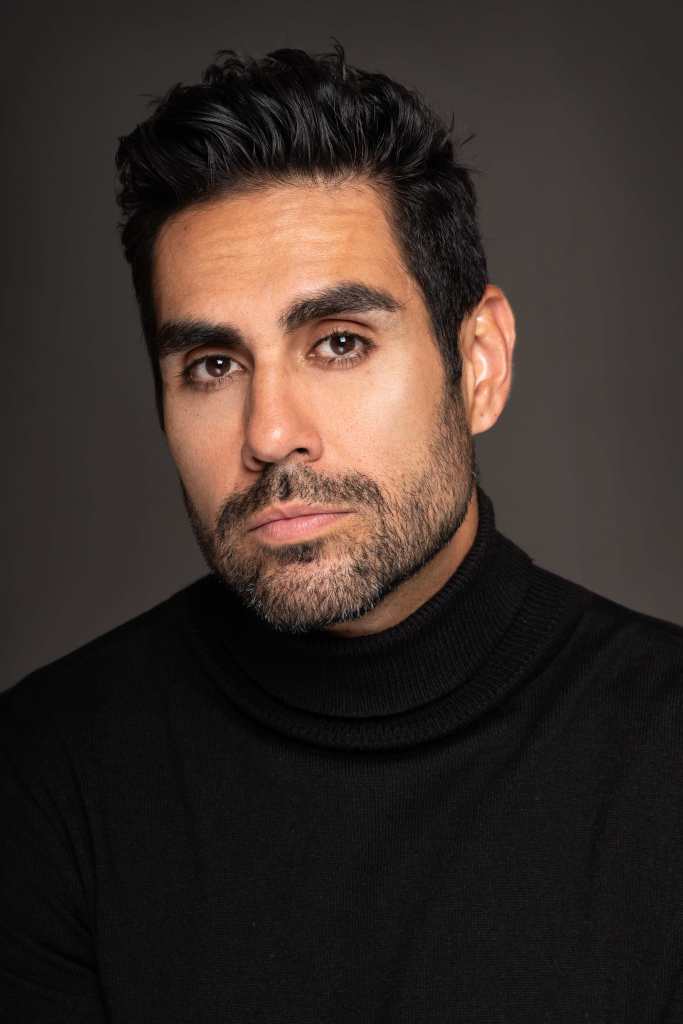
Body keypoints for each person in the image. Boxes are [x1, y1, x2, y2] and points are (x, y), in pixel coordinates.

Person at [1, 43, 682, 1024]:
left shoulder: (661, 753)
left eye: (338, 343)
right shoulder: (44, 773)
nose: (270, 432)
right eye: (211, 365)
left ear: (478, 365)